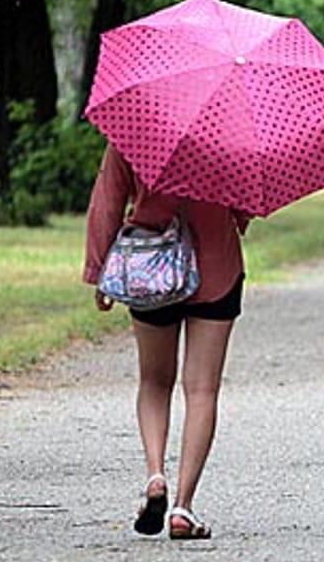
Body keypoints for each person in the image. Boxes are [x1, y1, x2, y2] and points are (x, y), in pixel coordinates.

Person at [83, 145, 250, 540]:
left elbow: (106, 202)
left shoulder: (132, 130)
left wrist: (97, 269)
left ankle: (155, 474)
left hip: (149, 268)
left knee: (154, 383)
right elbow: (244, 204)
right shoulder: (231, 134)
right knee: (202, 389)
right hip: (216, 267)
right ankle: (183, 508)